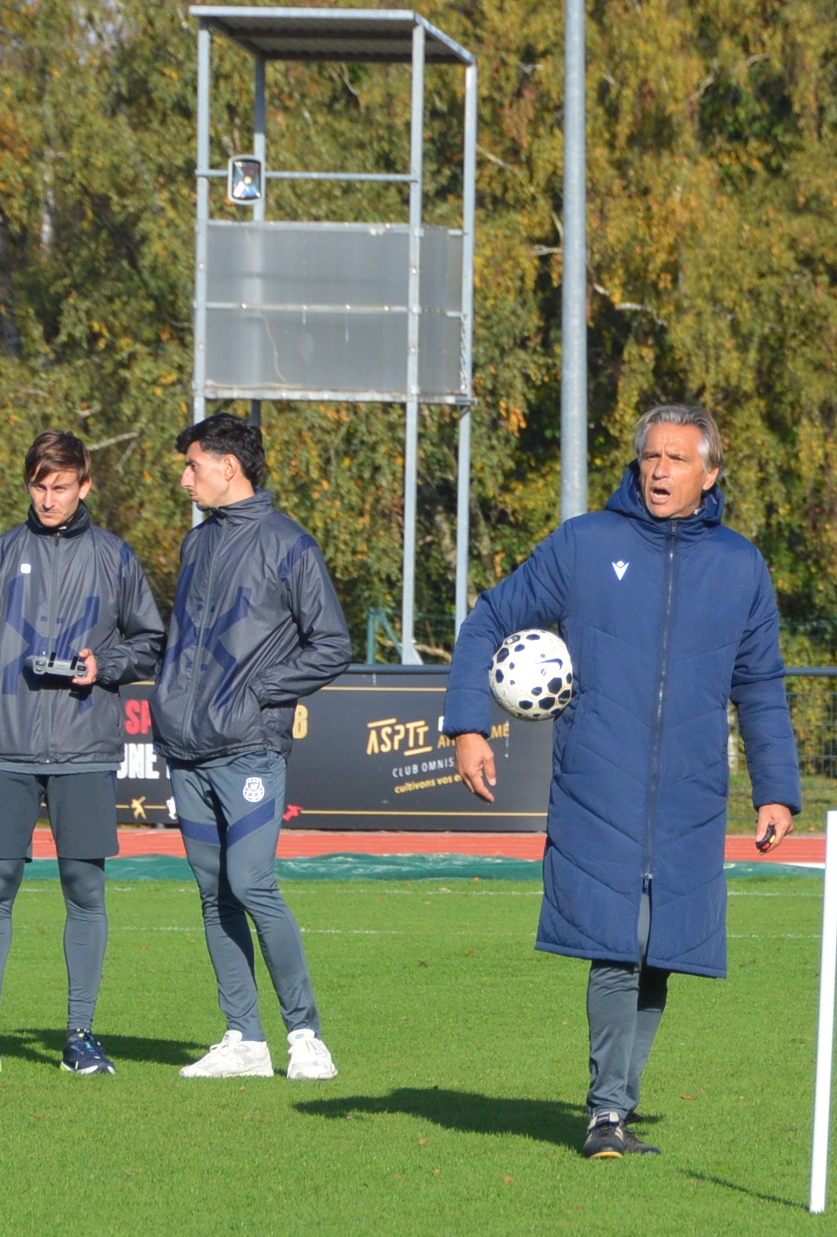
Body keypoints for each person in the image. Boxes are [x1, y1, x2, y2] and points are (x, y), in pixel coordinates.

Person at [442, 403, 802, 1158]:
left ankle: (616, 1107)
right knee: (617, 939)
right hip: (596, 781)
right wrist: (469, 726)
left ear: (710, 473)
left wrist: (776, 788)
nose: (660, 470)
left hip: (692, 793)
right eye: (651, 456)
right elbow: (487, 621)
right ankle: (605, 1112)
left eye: (677, 458)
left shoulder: (741, 565)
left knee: (661, 946)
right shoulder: (585, 543)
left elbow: (761, 684)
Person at [0, 431, 166, 1075]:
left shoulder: (116, 557)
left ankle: (81, 1035)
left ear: (85, 486)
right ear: (29, 485)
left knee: (84, 887)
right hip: (4, 752)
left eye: (61, 487)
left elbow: (152, 643)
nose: (49, 499)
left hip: (85, 749)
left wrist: (106, 665)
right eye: (40, 486)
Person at [154, 413, 353, 1081]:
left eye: (193, 466)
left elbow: (332, 644)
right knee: (214, 892)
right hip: (188, 750)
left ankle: (307, 1036)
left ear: (228, 466)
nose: (186, 479)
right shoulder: (197, 542)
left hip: (249, 747)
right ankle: (243, 1038)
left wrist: (259, 689)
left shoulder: (289, 544)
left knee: (251, 882)